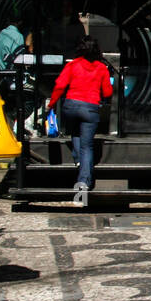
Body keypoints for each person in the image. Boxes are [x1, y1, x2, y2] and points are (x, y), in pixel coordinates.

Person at [47, 36, 113, 192]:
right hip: (90, 108)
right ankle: (84, 181)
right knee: (87, 146)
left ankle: (77, 160)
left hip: (71, 106)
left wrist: (51, 105)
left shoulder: (73, 65)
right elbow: (108, 91)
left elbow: (59, 86)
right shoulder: (101, 68)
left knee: (75, 133)